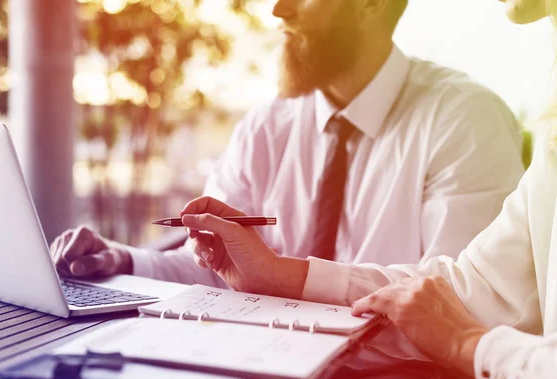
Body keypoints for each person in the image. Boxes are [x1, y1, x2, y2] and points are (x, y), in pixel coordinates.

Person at [180, 0, 557, 379]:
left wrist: (468, 345)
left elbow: (455, 317)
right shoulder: (552, 149)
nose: (278, 9)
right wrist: (278, 274)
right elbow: (465, 289)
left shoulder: (463, 116)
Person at [51, 0, 523, 289]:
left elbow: (454, 294)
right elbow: (217, 268)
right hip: (263, 361)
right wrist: (123, 259)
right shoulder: (267, 125)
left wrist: (285, 277)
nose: (278, 9)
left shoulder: (464, 119)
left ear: (370, 4)